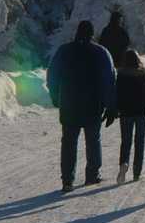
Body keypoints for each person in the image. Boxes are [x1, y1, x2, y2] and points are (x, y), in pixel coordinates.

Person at [46, 20, 117, 193]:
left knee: (69, 141)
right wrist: (111, 106)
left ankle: (68, 180)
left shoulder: (64, 50)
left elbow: (52, 76)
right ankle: (92, 174)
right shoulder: (101, 52)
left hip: (69, 103)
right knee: (93, 139)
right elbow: (108, 81)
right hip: (92, 103)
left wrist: (56, 98)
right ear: (92, 34)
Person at [115, 50, 145, 184]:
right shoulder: (144, 77)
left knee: (126, 141)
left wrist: (115, 110)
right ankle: (137, 172)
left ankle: (124, 163)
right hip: (141, 113)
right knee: (139, 142)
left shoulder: (120, 77)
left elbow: (117, 96)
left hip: (125, 113)